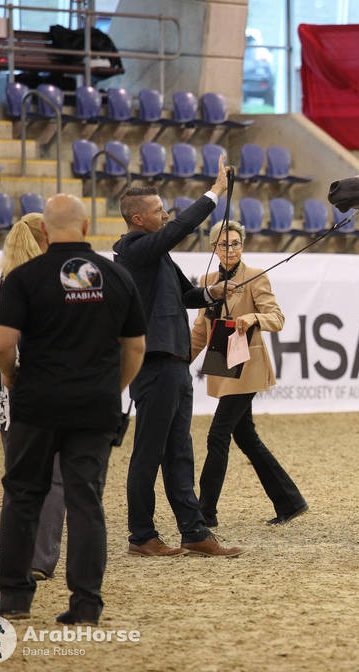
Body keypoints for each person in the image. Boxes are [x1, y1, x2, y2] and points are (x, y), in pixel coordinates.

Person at [0, 194, 146, 624]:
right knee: (86, 502)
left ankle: (16, 598)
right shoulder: (116, 276)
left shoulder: (25, 277)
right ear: (88, 228)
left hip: (38, 404)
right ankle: (86, 604)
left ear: (43, 232)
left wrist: (11, 374)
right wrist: (113, 388)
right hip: (95, 406)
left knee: (22, 497)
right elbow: (135, 347)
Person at [114, 162, 244, 558]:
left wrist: (211, 294)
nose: (165, 215)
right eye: (158, 211)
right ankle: (141, 536)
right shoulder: (135, 250)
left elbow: (186, 295)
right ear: (139, 218)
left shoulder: (156, 258)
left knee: (178, 450)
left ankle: (193, 531)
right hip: (155, 363)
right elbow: (178, 230)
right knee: (150, 451)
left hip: (174, 360)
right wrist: (214, 192)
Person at [0, 215, 67, 583]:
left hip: (7, 393)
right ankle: (41, 559)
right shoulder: (57, 279)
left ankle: (16, 558)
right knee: (54, 478)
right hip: (52, 389)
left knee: (19, 479)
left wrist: (5, 358)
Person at [191, 220, 308, 527]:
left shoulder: (256, 277)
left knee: (218, 435)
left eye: (236, 243)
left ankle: (206, 514)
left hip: (247, 366)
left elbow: (276, 317)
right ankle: (290, 501)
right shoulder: (207, 280)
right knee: (246, 437)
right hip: (223, 363)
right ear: (213, 247)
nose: (231, 249)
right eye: (224, 244)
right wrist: (179, 360)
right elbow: (200, 331)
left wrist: (252, 318)